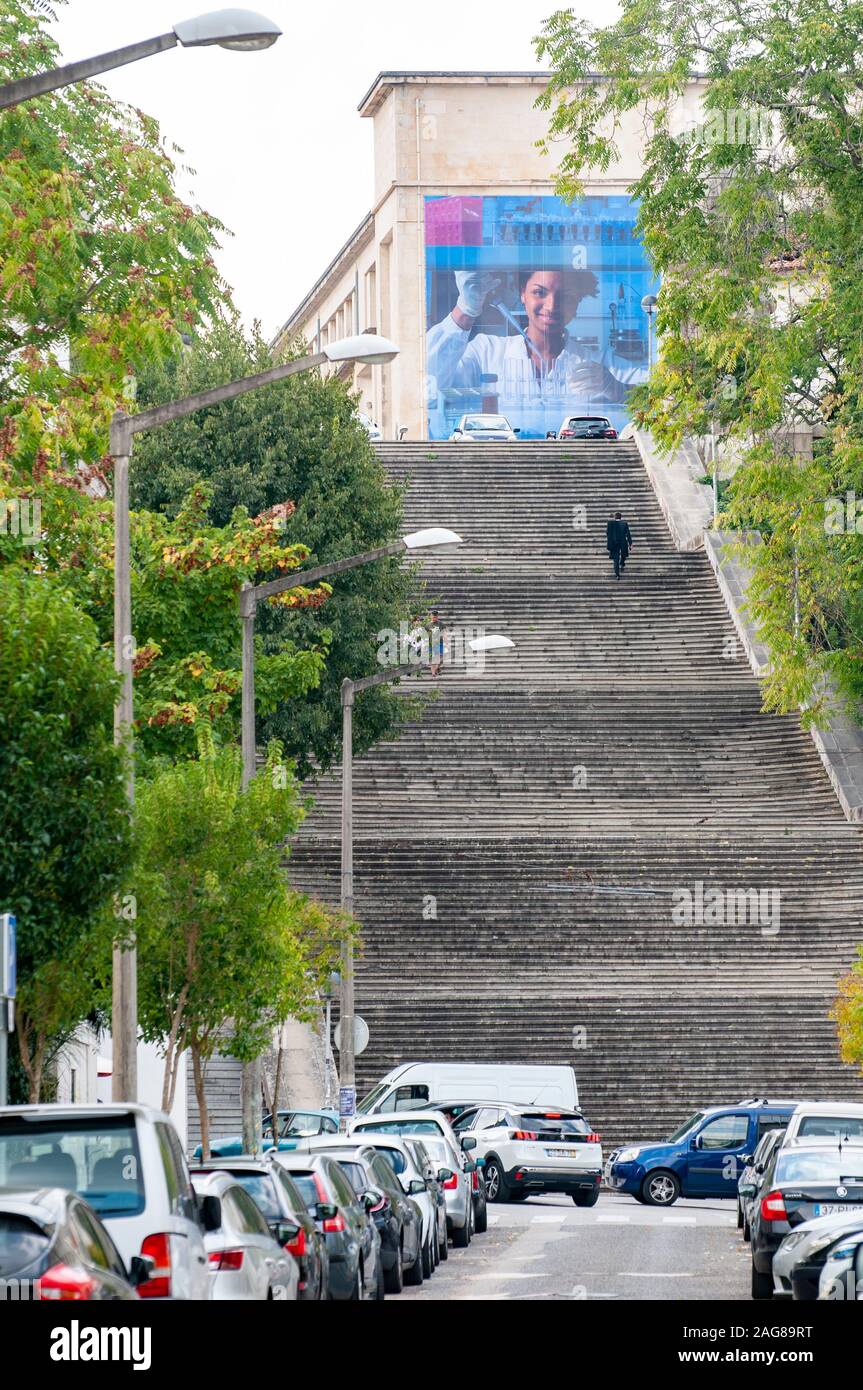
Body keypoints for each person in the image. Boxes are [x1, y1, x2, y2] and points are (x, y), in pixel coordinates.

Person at [426, 267, 640, 416]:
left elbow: (665, 400)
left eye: (565, 296)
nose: (551, 305)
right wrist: (465, 310)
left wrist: (620, 390)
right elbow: (428, 393)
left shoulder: (601, 362)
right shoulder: (486, 352)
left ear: (577, 303)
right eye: (539, 292)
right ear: (522, 294)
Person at [606, 511, 632, 579]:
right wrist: (630, 543)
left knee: (615, 559)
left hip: (614, 543)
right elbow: (628, 534)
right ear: (621, 517)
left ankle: (617, 574)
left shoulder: (610, 523)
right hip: (623, 542)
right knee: (624, 554)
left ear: (615, 517)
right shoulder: (624, 523)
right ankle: (622, 563)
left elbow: (607, 533)